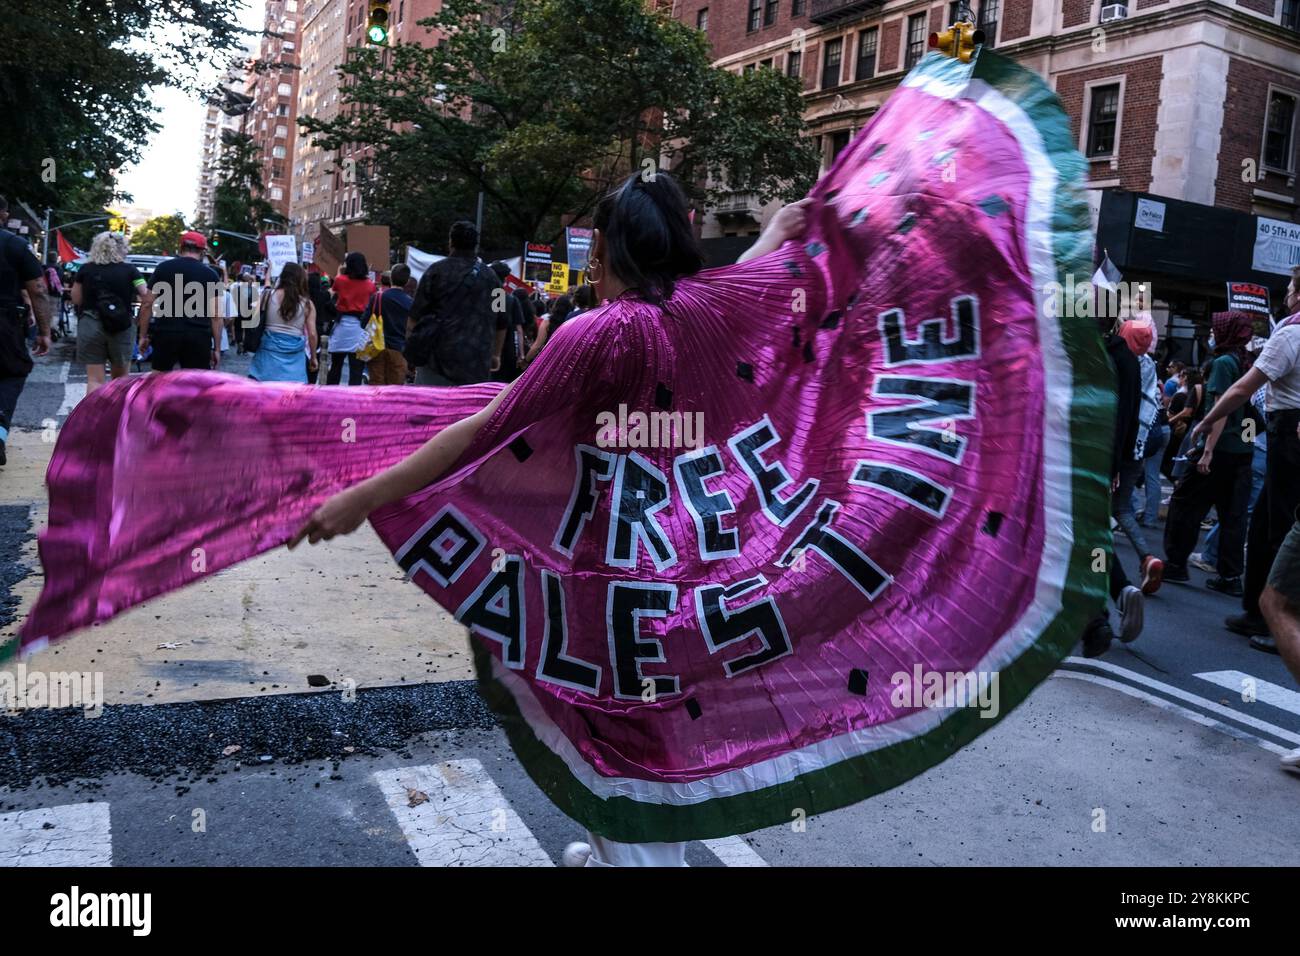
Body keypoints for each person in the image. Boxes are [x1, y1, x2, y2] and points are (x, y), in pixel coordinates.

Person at [295, 173, 713, 866]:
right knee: (644, 725)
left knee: (607, 728)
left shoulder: (597, 332)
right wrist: (780, 235)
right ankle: (619, 851)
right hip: (684, 556)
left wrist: (360, 497)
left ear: (604, 249)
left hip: (606, 570)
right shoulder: (700, 320)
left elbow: (480, 432)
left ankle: (635, 858)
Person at [1191, 267, 1300, 645]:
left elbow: (1242, 388)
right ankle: (1257, 612)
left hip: (1289, 434)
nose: (1285, 292)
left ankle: (1281, 622)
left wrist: (1207, 420)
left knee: (1283, 528)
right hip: (1283, 432)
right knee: (1264, 525)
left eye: (1289, 287)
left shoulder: (1289, 334)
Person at [1163, 312, 1256, 593]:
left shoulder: (1223, 364)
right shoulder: (1246, 362)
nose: (1211, 334)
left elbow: (1221, 410)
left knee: (1184, 505)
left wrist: (1207, 451)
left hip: (1219, 449)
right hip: (1242, 450)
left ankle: (1176, 564)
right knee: (1233, 515)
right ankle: (1230, 577)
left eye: (1216, 330)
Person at [1081, 314, 1147, 655]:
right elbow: (1130, 412)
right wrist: (1118, 462)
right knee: (1089, 532)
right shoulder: (1128, 359)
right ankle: (1119, 589)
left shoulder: (1086, 351)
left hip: (1073, 455)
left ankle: (1096, 617)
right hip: (1105, 460)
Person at [405, 221, 501, 386]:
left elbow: (415, 316)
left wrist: (414, 349)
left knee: (428, 408)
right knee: (469, 410)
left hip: (436, 359)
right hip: (476, 362)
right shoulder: (493, 278)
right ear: (475, 244)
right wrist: (495, 354)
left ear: (451, 242)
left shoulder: (435, 271)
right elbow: (501, 320)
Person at [1113, 318, 1163, 594]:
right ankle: (1147, 557)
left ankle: (1103, 567)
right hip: (1139, 447)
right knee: (1120, 508)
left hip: (1121, 448)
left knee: (1109, 509)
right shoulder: (1149, 365)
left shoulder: (1122, 365)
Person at [0, 196, 51, 467]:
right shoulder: (15, 245)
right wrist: (44, 331)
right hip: (5, 323)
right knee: (12, 373)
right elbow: (38, 290)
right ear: (4, 215)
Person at [70, 231, 153, 394]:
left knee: (94, 379)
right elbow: (146, 295)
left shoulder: (85, 269)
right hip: (121, 325)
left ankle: (93, 417)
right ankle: (116, 417)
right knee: (121, 380)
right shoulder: (131, 271)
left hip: (90, 323)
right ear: (122, 249)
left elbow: (76, 299)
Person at [147, 231, 222, 371]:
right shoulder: (211, 275)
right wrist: (217, 348)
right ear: (202, 252)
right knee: (196, 384)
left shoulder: (163, 269)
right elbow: (216, 315)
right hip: (198, 336)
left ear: (180, 248)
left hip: (166, 333)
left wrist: (143, 335)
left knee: (158, 380)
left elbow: (147, 304)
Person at [249, 263, 317, 384]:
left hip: (267, 355)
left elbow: (253, 318)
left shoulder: (267, 296)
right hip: (295, 358)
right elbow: (312, 334)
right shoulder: (307, 304)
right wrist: (313, 357)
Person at [327, 252, 375, 386]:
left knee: (336, 366)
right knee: (356, 369)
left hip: (342, 325)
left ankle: (330, 393)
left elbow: (334, 292)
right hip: (360, 328)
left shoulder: (340, 280)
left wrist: (339, 272)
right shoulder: (370, 285)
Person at [364, 263, 413, 386]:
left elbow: (363, 322)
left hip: (377, 348)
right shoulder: (411, 303)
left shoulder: (378, 297)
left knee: (376, 387)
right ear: (407, 281)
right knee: (394, 391)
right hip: (398, 349)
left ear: (391, 278)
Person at [487, 261, 524, 383]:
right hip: (506, 349)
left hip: (487, 348)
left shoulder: (492, 295)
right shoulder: (508, 298)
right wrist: (521, 354)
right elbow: (518, 330)